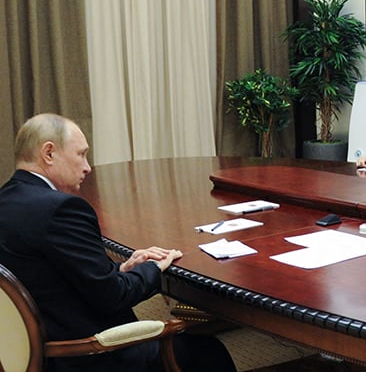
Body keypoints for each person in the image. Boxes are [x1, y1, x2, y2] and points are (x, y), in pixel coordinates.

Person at [0, 114, 236, 372]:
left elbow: (55, 275)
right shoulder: (61, 209)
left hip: (31, 350)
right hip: (88, 355)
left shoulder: (7, 200)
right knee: (210, 353)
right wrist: (154, 268)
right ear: (48, 153)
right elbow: (113, 296)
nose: (88, 167)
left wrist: (123, 268)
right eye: (81, 154)